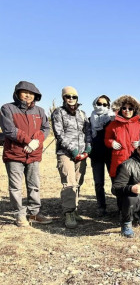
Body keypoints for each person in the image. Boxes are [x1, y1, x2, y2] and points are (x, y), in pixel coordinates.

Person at [0, 81, 52, 227]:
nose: (28, 95)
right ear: (17, 93)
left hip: (33, 154)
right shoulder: (7, 108)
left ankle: (34, 213)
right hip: (14, 154)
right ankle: (19, 215)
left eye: (31, 93)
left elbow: (45, 128)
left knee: (34, 185)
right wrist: (28, 141)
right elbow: (9, 129)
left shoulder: (40, 111)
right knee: (15, 187)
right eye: (25, 92)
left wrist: (36, 141)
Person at [51, 86, 92, 229]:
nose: (71, 99)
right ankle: (68, 213)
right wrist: (73, 150)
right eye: (68, 96)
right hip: (66, 153)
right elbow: (59, 134)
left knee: (78, 182)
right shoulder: (58, 113)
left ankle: (74, 210)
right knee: (69, 182)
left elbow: (88, 132)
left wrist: (87, 148)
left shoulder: (82, 114)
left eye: (74, 97)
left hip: (82, 154)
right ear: (63, 98)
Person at [105, 95, 140, 180]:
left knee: (134, 187)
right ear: (120, 109)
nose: (127, 111)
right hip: (119, 160)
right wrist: (111, 142)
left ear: (134, 110)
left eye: (130, 108)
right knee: (120, 188)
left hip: (135, 160)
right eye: (124, 108)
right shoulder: (113, 124)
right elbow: (107, 139)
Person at [89, 95, 115, 216]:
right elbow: (87, 136)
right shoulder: (90, 119)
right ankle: (101, 207)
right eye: (99, 104)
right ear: (95, 104)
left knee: (116, 181)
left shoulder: (112, 119)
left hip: (111, 154)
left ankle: (120, 206)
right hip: (96, 155)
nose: (102, 106)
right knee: (99, 183)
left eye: (105, 104)